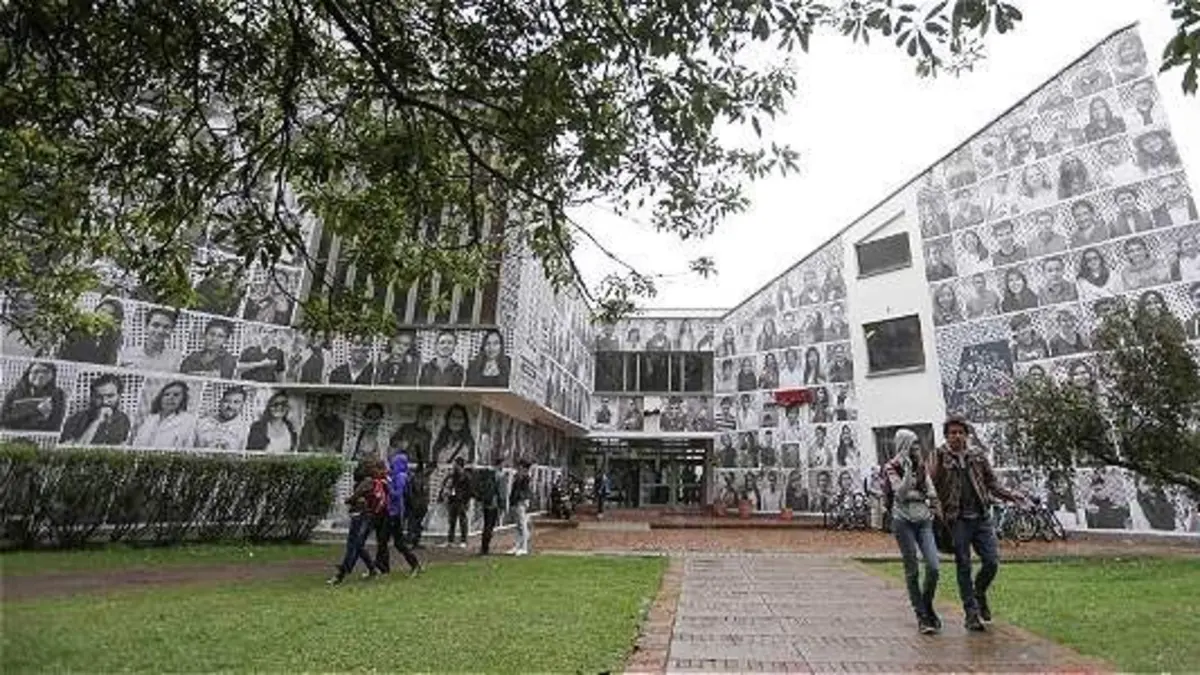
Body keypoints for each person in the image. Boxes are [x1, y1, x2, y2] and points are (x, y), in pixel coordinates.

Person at [930, 415, 1028, 632]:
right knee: (963, 565)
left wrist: (1011, 495)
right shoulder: (939, 456)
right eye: (952, 433)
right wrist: (934, 510)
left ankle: (979, 592)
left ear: (966, 434)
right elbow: (930, 483)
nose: (957, 436)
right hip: (957, 520)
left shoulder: (977, 455)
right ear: (946, 436)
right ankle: (971, 613)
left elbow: (991, 482)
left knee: (991, 562)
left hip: (981, 517)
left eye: (960, 432)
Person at [884, 429, 942, 634]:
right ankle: (921, 615)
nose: (917, 448)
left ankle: (927, 604)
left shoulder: (922, 465)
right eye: (913, 444)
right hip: (903, 522)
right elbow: (900, 494)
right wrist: (908, 471)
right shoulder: (892, 466)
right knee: (912, 569)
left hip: (924, 520)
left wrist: (922, 497)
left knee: (934, 567)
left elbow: (931, 492)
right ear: (904, 446)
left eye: (917, 444)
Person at [327, 458, 387, 585]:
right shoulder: (378, 482)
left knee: (354, 545)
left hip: (361, 515)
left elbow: (354, 497)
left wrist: (348, 500)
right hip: (369, 516)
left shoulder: (367, 481)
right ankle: (369, 569)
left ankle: (343, 572)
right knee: (357, 545)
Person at [378, 448, 422, 576]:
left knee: (396, 543)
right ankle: (383, 567)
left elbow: (397, 495)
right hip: (391, 511)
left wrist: (388, 485)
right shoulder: (396, 476)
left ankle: (414, 564)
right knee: (385, 541)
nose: (392, 465)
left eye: (394, 463)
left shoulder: (401, 477)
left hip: (395, 513)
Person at [60, 373, 130, 445]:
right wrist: (97, 421)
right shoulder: (77, 419)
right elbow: (72, 448)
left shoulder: (124, 420)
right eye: (99, 397)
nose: (105, 401)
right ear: (92, 397)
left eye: (110, 396)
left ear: (119, 396)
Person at [193, 386, 251, 450]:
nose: (230, 406)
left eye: (236, 402)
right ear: (220, 402)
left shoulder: (245, 430)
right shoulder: (202, 423)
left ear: (242, 406)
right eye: (227, 401)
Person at [439, 457, 471, 548]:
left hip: (461, 501)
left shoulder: (466, 476)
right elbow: (447, 484)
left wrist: (466, 501)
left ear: (459, 465)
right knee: (452, 521)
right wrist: (446, 494)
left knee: (462, 520)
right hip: (453, 500)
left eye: (455, 464)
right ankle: (450, 540)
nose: (454, 466)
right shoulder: (453, 476)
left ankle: (463, 540)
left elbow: (469, 490)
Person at [478, 456, 505, 555]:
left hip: (486, 503)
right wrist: (502, 505)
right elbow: (501, 491)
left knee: (486, 525)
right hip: (493, 503)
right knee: (490, 526)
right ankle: (485, 548)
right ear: (500, 464)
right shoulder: (499, 475)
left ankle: (483, 547)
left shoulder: (488, 473)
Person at [508, 459, 533, 556]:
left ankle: (524, 547)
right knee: (518, 525)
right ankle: (517, 545)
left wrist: (524, 500)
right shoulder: (518, 477)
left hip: (521, 502)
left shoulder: (526, 477)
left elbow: (525, 491)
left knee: (522, 525)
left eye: (520, 466)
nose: (518, 468)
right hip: (516, 502)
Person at [406, 461, 431, 548]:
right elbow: (417, 491)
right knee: (413, 524)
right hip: (417, 505)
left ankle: (415, 541)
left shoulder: (422, 479)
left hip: (420, 505)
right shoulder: (417, 479)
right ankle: (411, 541)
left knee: (417, 524)